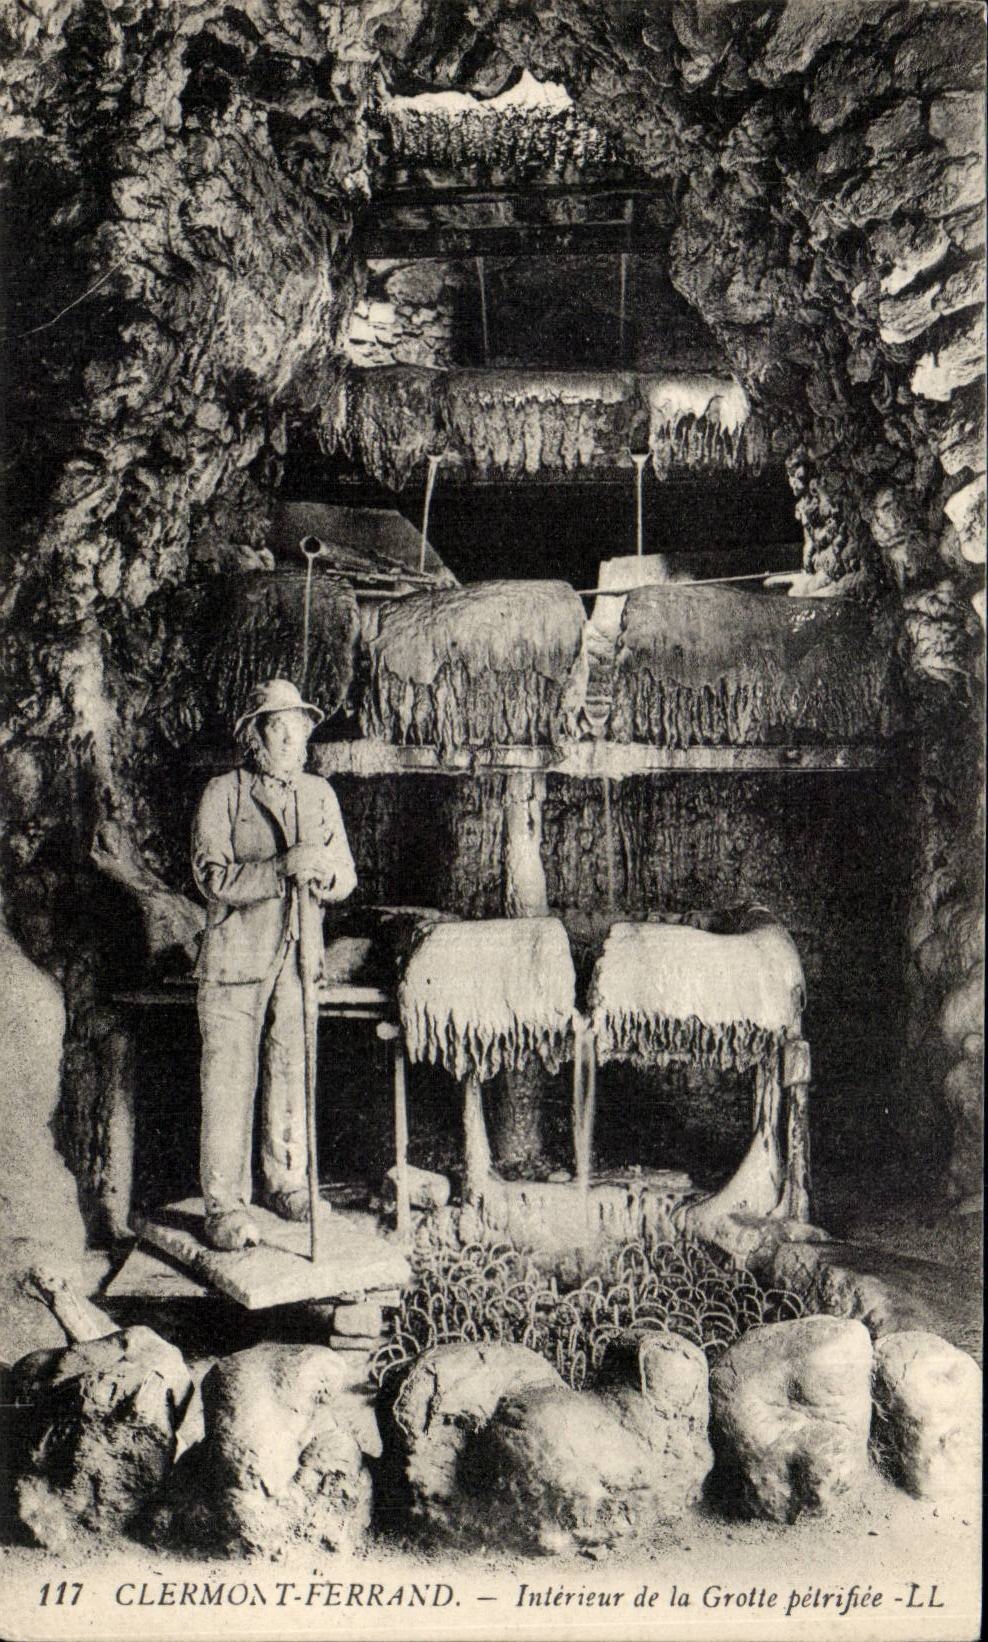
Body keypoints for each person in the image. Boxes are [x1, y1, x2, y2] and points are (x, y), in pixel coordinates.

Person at [191, 677, 357, 1251]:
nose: (293, 739)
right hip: (235, 960)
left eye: (300, 729)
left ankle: (287, 1183)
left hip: (298, 958)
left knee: (290, 1072)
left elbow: (346, 875)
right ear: (255, 737)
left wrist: (324, 873)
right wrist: (283, 866)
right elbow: (211, 877)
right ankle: (225, 1206)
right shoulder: (225, 793)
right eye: (279, 728)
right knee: (228, 1079)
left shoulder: (319, 796)